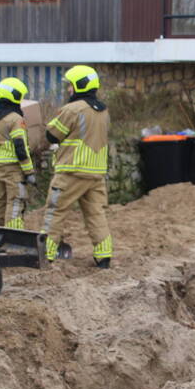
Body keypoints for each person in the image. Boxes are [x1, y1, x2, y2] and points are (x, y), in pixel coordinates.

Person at [42, 65, 113, 269]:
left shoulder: (72, 109)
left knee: (55, 212)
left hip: (71, 171)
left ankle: (45, 255)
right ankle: (104, 256)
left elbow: (52, 135)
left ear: (80, 85)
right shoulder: (103, 111)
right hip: (96, 173)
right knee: (96, 214)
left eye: (70, 85)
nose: (68, 89)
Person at [0, 77, 36, 228]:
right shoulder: (16, 119)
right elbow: (20, 146)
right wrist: (29, 172)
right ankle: (14, 234)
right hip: (13, 168)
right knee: (16, 201)